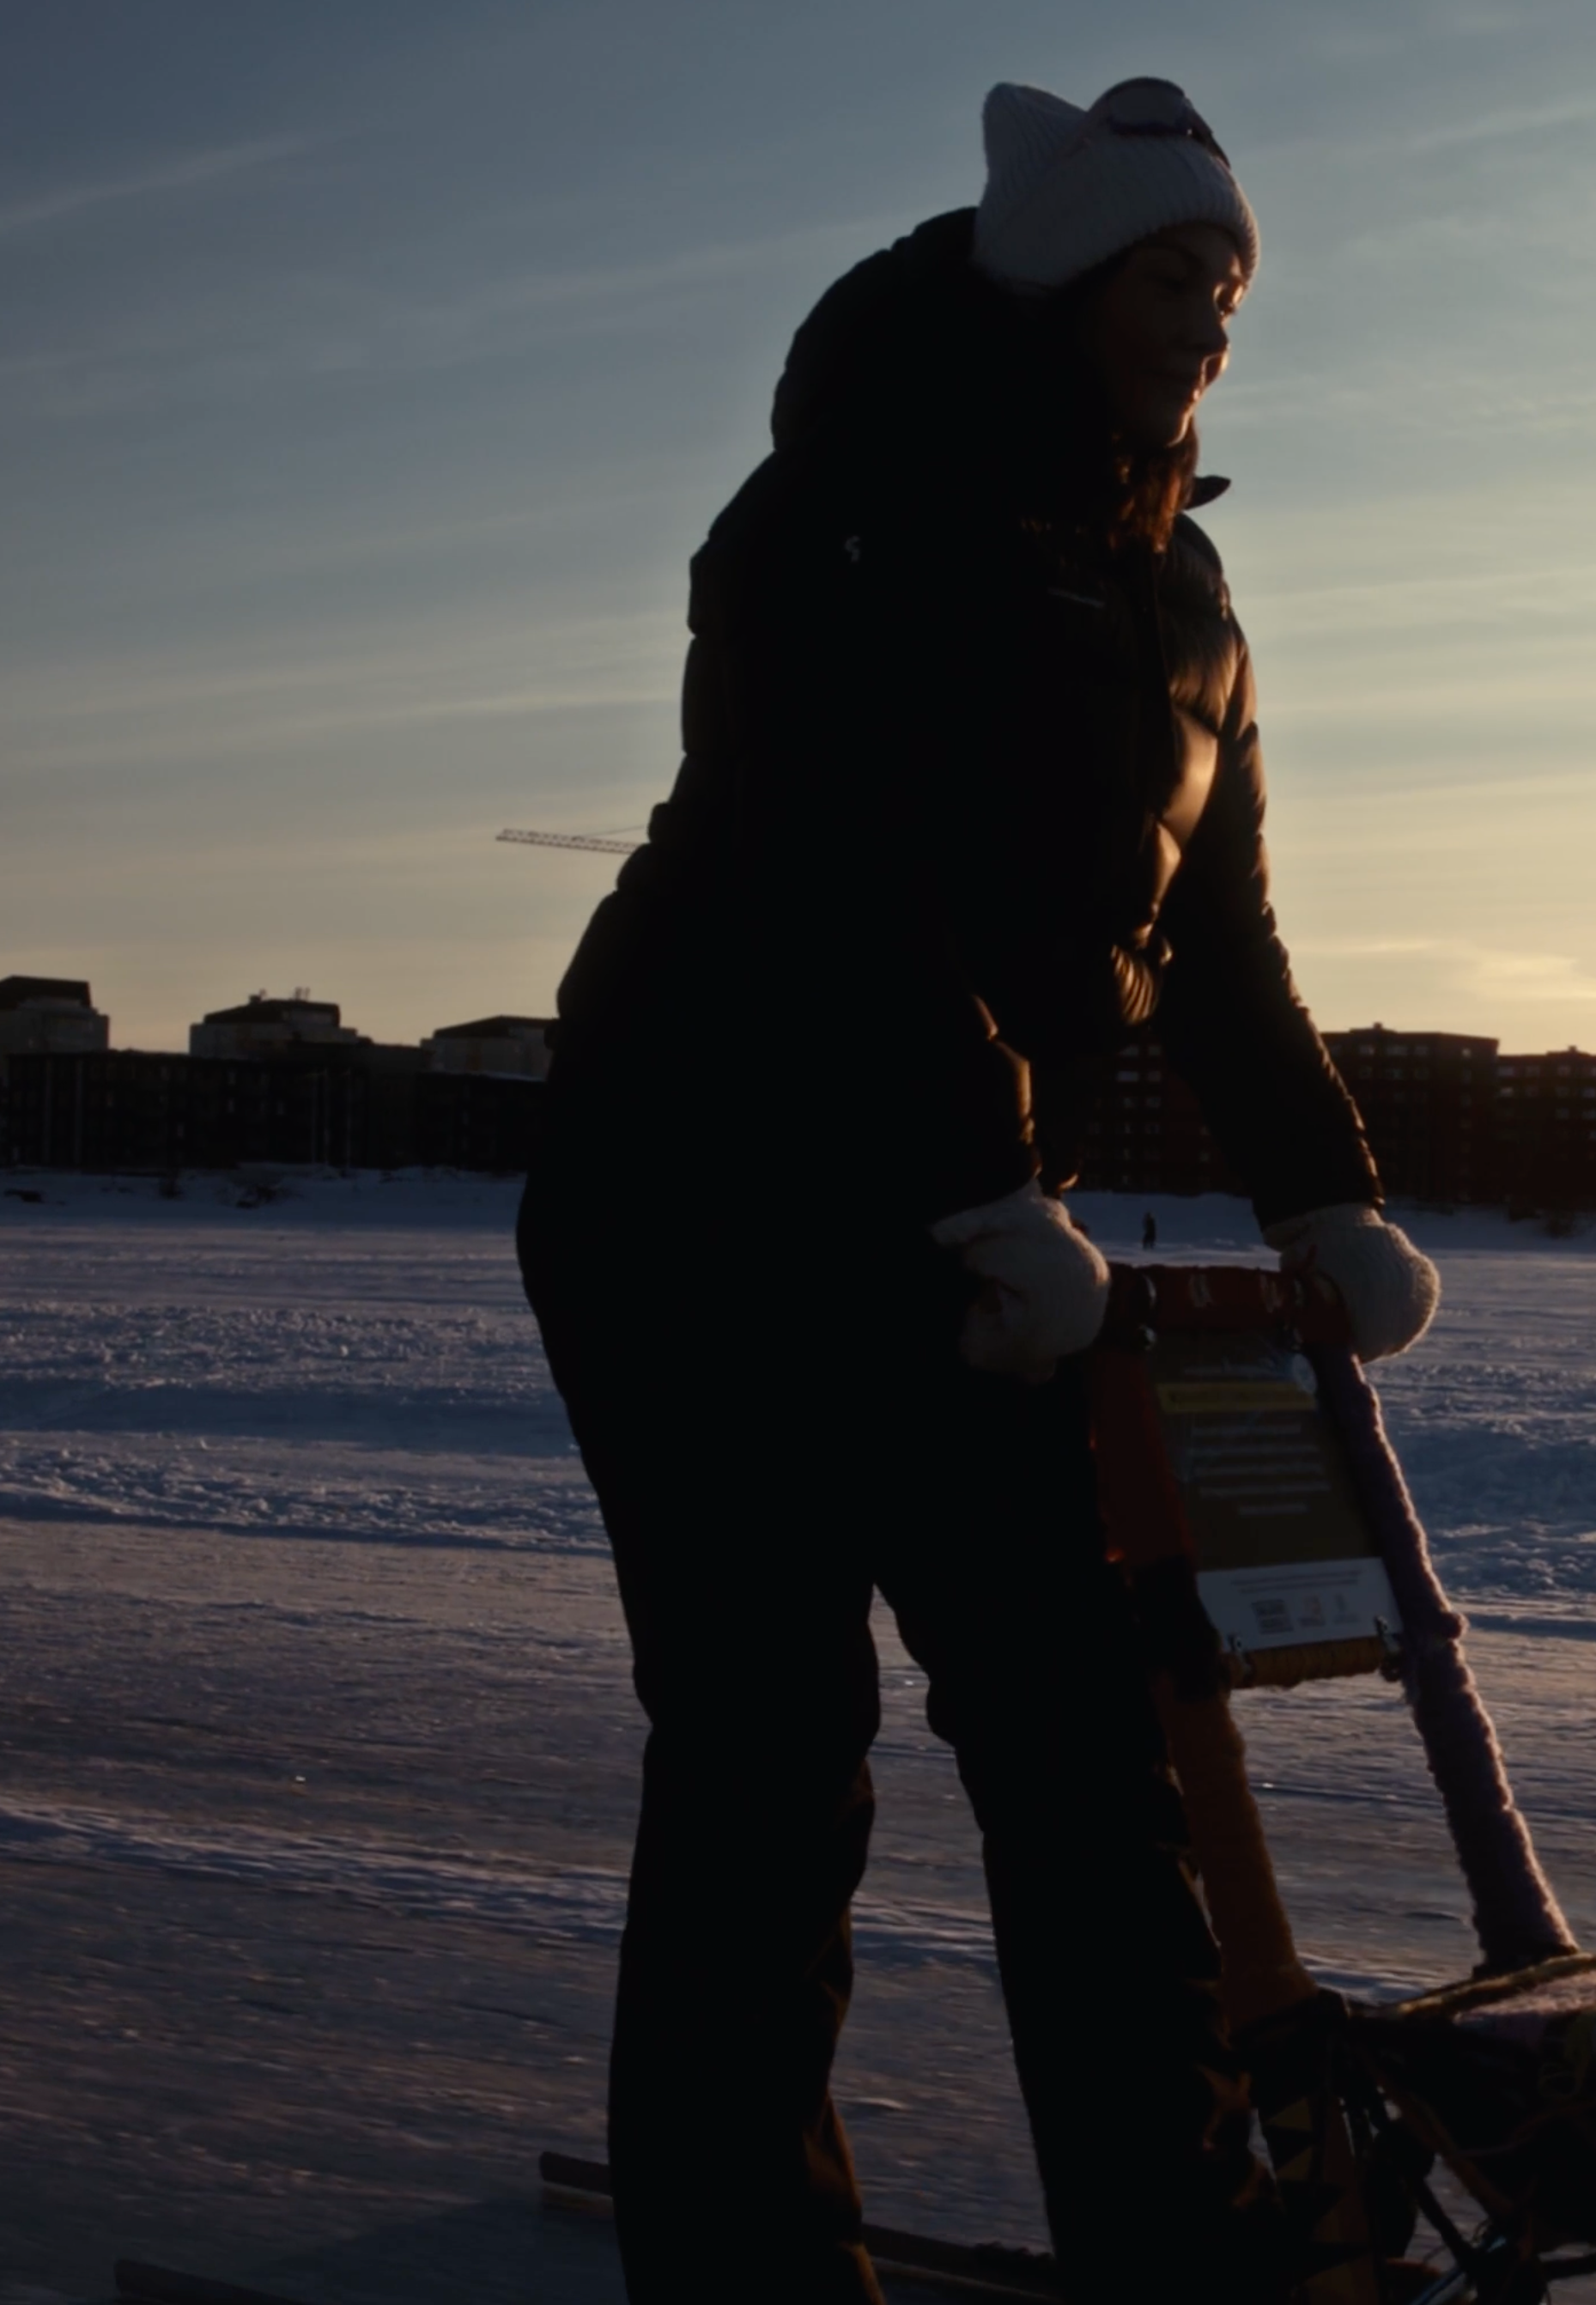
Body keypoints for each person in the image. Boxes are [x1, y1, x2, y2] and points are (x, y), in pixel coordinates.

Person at [516, 76, 1443, 2305]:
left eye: (1230, 290)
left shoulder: (1184, 598)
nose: (1208, 324)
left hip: (965, 1225)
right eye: (1170, 276)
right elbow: (823, 869)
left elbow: (1219, 946)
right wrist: (982, 1174)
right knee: (768, 1754)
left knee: (1081, 1733)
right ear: (1056, 272)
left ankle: (1187, 2244)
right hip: (697, 1194)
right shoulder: (836, 514)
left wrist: (1324, 1193)